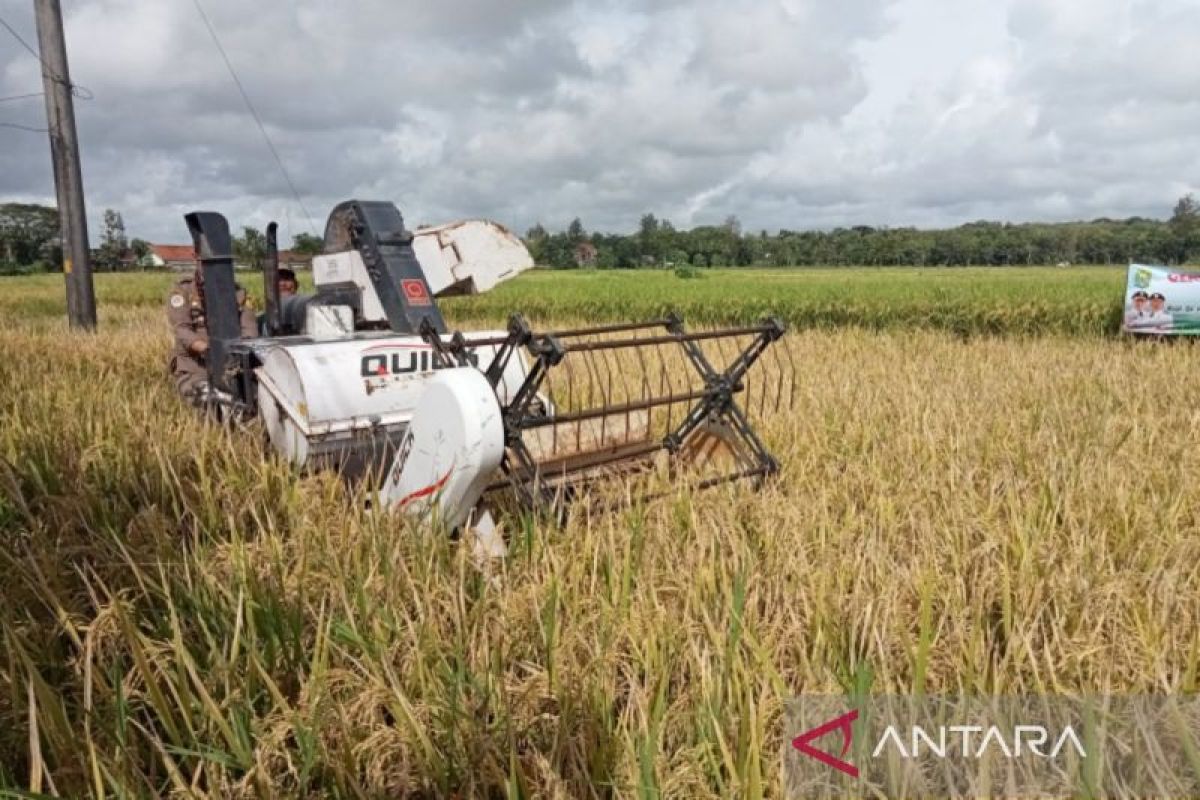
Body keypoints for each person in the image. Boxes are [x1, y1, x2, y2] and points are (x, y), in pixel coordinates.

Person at [166, 260, 258, 404]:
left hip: (233, 364)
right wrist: (208, 350)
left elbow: (250, 331)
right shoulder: (183, 291)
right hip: (195, 365)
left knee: (254, 398)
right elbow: (182, 329)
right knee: (205, 401)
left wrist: (236, 354)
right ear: (196, 257)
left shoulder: (240, 293)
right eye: (207, 263)